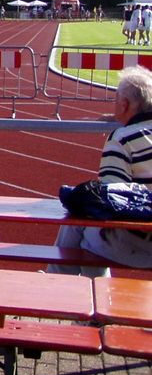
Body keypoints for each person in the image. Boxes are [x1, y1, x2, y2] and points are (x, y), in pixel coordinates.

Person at [48, 66, 152, 276]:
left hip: (142, 243)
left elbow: (113, 200)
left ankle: (60, 284)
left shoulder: (122, 139)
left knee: (81, 225)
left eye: (115, 100)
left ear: (124, 104)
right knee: (82, 224)